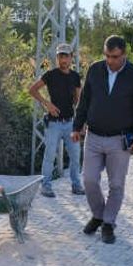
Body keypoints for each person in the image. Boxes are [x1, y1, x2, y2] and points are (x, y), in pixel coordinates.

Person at [72, 35, 133, 244]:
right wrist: (77, 126)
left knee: (116, 184)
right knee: (88, 180)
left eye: (114, 57)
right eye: (106, 56)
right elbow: (84, 100)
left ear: (124, 54)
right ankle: (98, 215)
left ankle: (108, 222)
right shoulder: (95, 69)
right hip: (94, 137)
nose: (110, 61)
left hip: (119, 140)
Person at [29, 42, 84, 198]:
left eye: (66, 56)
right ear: (57, 58)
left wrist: (81, 123)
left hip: (71, 123)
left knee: (75, 156)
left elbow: (79, 100)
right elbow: (32, 90)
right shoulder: (50, 75)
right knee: (49, 156)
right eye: (60, 56)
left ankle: (76, 185)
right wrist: (47, 104)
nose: (63, 59)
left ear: (71, 58)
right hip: (53, 124)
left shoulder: (75, 76)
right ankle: (46, 186)